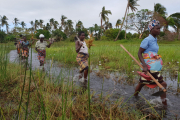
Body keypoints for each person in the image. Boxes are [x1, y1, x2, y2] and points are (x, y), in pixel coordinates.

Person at [134, 20, 167, 105]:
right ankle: (163, 102)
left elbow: (152, 54)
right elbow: (139, 53)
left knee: (141, 83)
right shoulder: (147, 40)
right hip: (149, 67)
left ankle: (134, 97)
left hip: (153, 67)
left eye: (159, 28)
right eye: (157, 28)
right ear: (151, 29)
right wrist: (144, 66)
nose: (159, 30)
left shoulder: (154, 39)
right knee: (163, 84)